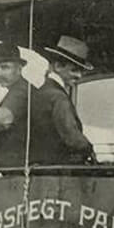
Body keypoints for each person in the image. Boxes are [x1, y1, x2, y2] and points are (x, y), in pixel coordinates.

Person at [28, 35, 97, 165]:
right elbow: (71, 136)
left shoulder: (40, 92)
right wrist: (89, 150)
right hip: (56, 169)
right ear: (58, 66)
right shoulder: (58, 97)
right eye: (75, 70)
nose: (79, 76)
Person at [0, 42, 32, 168]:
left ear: (19, 69)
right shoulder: (18, 90)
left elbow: (2, 120)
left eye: (5, 67)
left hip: (18, 170)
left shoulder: (20, 91)